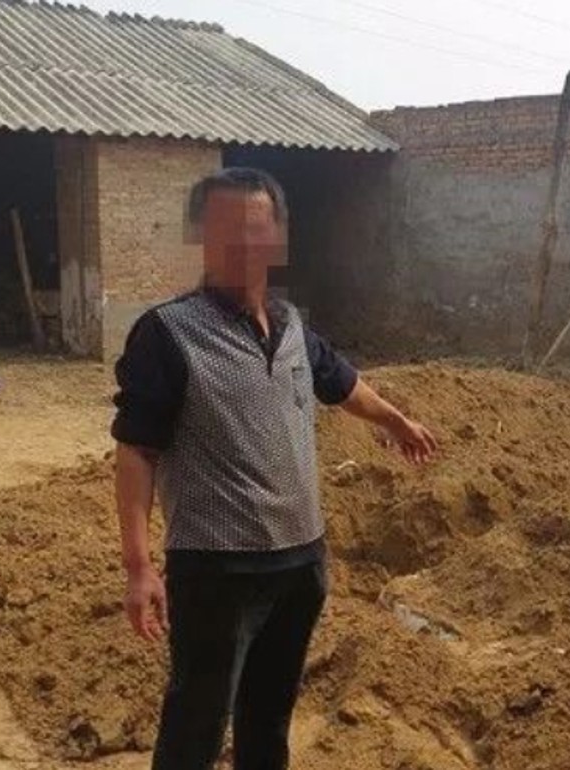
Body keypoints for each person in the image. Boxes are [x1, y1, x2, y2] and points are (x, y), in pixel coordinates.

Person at [111, 166, 437, 770]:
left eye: (256, 228)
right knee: (196, 723)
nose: (243, 244)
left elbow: (342, 383)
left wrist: (396, 422)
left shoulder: (291, 326)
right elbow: (136, 450)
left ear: (278, 237)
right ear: (201, 237)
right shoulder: (167, 334)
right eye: (225, 229)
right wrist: (138, 566)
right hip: (216, 570)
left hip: (299, 566)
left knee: (269, 717)